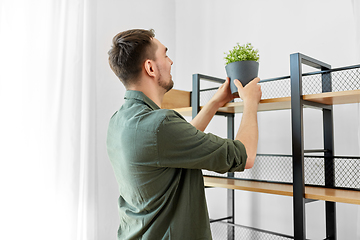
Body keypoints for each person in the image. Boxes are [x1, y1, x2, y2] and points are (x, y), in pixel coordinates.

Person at [106, 29, 262, 240]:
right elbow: (246, 156)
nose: (171, 62)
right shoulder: (160, 125)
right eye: (165, 55)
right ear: (150, 68)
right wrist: (251, 103)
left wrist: (215, 102)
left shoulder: (119, 120)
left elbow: (177, 142)